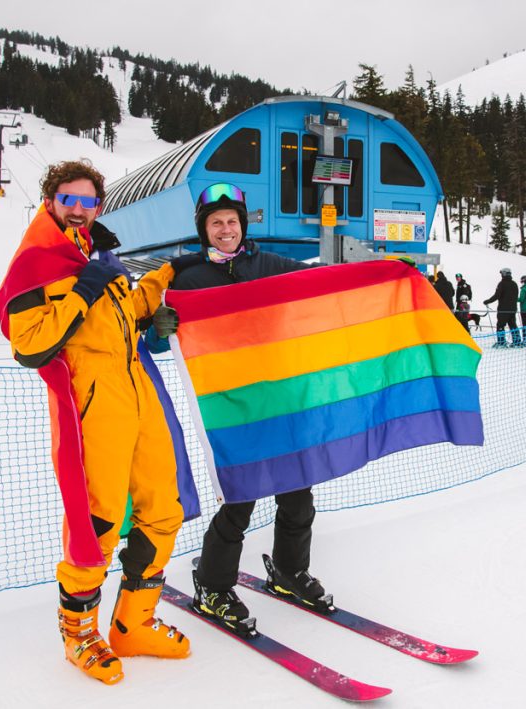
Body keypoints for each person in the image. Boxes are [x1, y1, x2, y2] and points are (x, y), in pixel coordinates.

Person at [0, 160, 193, 685]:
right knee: (98, 522)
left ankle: (134, 623)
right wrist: (83, 289)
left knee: (163, 509)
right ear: (51, 200)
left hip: (137, 392)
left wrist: (165, 282)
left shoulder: (99, 254)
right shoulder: (38, 262)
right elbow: (30, 344)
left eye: (89, 201)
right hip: (92, 403)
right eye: (70, 199)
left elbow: (126, 315)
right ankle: (80, 633)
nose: (80, 209)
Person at [153, 182, 329, 636]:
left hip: (283, 397)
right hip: (231, 406)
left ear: (243, 225)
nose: (226, 229)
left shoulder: (268, 264)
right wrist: (158, 327)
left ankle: (289, 571)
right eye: (216, 223)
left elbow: (322, 283)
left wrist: (381, 271)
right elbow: (153, 341)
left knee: (298, 492)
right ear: (204, 230)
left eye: (232, 221)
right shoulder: (187, 277)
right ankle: (213, 585)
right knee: (240, 498)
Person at [484, 267, 520, 347]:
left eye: (501, 274)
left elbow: (497, 295)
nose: (501, 275)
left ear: (504, 274)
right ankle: (517, 341)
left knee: (500, 325)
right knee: (513, 325)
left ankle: (501, 342)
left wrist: (488, 301)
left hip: (503, 309)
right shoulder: (514, 284)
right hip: (513, 309)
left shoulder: (502, 283)